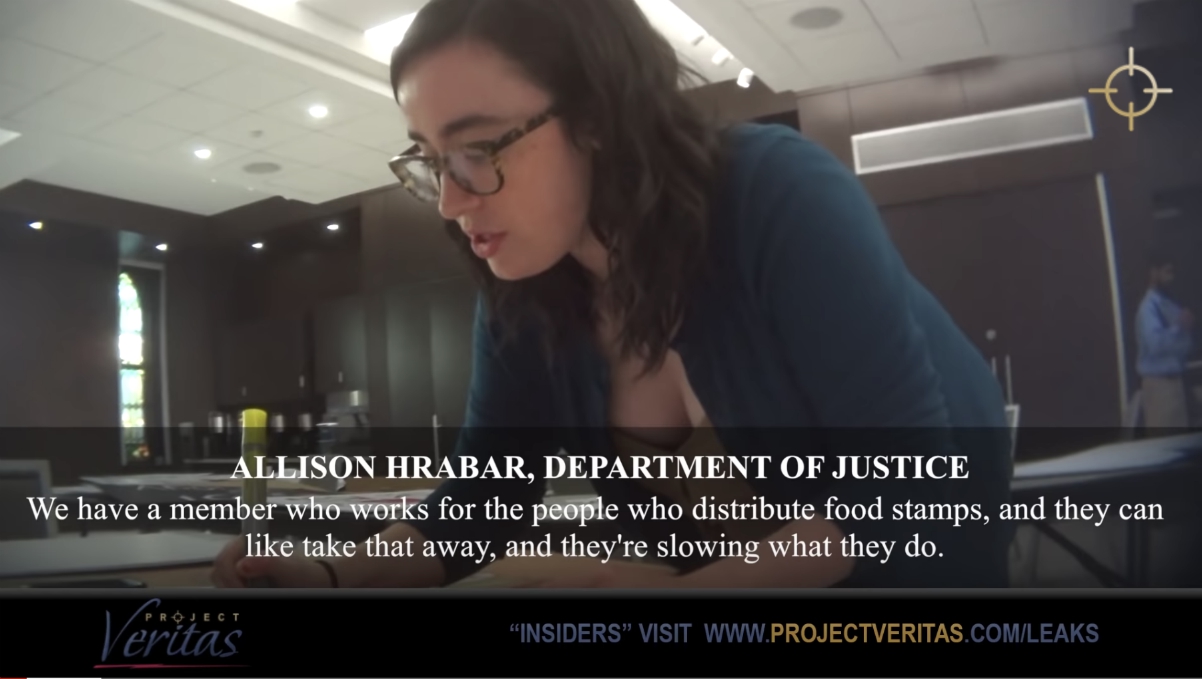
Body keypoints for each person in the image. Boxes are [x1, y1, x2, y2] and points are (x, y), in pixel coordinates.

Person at [212, 0, 1012, 589]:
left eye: (477, 150)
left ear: (597, 115)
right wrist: (330, 574)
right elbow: (480, 502)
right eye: (428, 158)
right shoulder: (523, 290)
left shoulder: (775, 193)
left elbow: (904, 486)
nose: (451, 202)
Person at [1135, 253, 1194, 430]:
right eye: (1167, 272)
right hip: (1159, 385)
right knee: (1165, 437)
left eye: (1172, 272)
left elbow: (1185, 344)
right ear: (1154, 272)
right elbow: (1155, 344)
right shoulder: (1148, 308)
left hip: (1177, 384)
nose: (1171, 278)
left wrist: (1185, 330)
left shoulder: (1169, 304)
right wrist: (1179, 327)